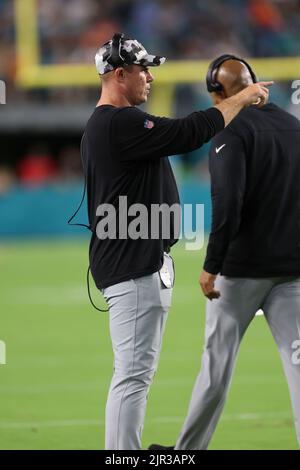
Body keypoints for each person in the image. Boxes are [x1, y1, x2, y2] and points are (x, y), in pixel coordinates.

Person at [83, 36, 271, 450]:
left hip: (132, 259)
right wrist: (242, 98)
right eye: (142, 70)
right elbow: (190, 132)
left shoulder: (108, 124)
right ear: (119, 74)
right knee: (133, 375)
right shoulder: (120, 122)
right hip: (133, 264)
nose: (149, 77)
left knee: (135, 373)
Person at [150, 54, 300, 451]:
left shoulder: (230, 130)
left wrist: (212, 265)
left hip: (241, 273)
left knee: (216, 369)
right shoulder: (293, 126)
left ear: (217, 93)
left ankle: (185, 455)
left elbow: (227, 202)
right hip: (291, 271)